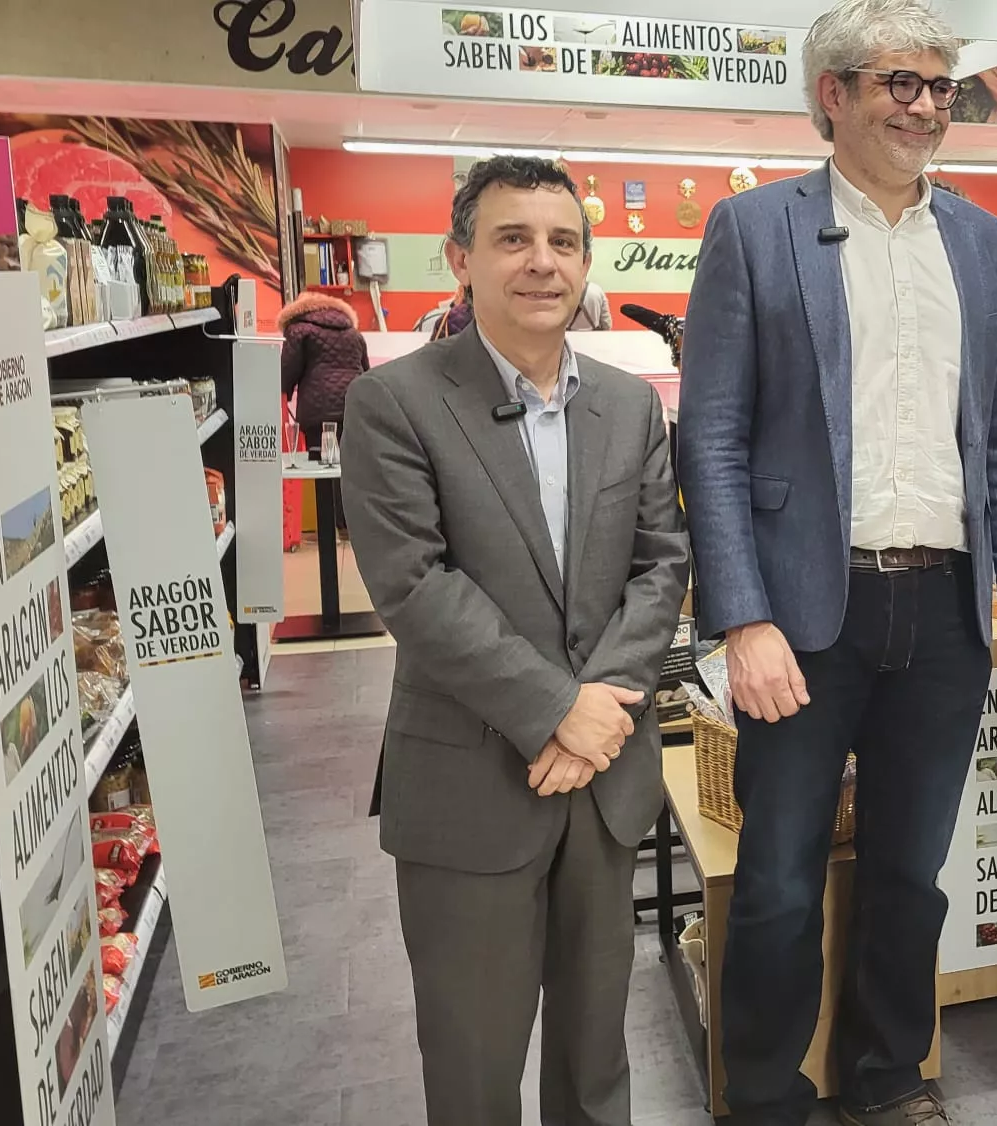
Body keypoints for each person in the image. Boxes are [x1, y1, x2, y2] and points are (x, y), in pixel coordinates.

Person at [677, 1, 997, 1122]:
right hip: (799, 615)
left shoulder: (982, 244)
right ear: (829, 95)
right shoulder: (754, 229)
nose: (926, 105)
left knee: (908, 870)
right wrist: (739, 617)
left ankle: (890, 1077)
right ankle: (759, 1094)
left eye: (940, 86)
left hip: (941, 611)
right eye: (900, 82)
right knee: (781, 878)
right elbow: (710, 434)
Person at [340, 155, 690, 1126]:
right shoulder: (394, 403)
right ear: (460, 257)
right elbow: (412, 586)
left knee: (595, 1064)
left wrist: (600, 709)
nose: (542, 262)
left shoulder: (625, 407)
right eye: (512, 239)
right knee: (474, 1066)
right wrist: (555, 711)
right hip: (470, 783)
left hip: (602, 781)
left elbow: (661, 565)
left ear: (586, 263)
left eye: (562, 242)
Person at [279, 288, 369, 452]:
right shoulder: (354, 334)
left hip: (317, 409)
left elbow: (286, 371)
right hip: (354, 407)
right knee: (349, 462)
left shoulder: (298, 329)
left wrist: (285, 391)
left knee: (319, 463)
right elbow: (366, 373)